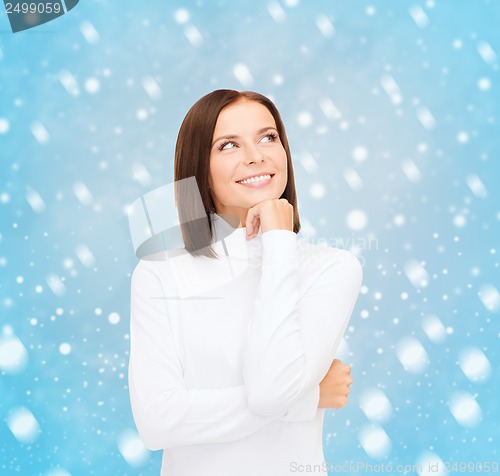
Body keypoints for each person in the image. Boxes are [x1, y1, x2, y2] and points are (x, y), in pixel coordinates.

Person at [128, 89, 363, 476]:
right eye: (228, 145)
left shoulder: (332, 268)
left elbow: (270, 393)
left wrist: (278, 242)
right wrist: (306, 399)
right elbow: (157, 421)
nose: (255, 156)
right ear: (198, 168)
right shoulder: (160, 273)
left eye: (268, 137)